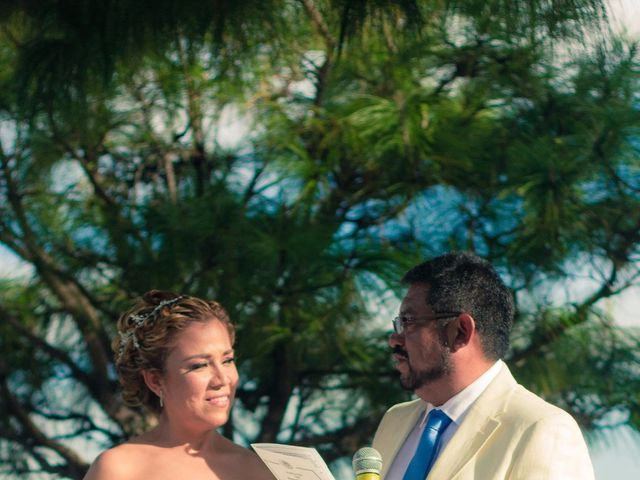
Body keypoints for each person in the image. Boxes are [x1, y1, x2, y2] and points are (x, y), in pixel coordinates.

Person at [372, 252, 594, 479]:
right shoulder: (395, 421)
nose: (394, 339)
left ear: (460, 331)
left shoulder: (542, 430)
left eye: (408, 322)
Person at [84, 290, 275, 480]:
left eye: (227, 360)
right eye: (200, 365)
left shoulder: (259, 471)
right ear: (155, 380)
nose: (222, 379)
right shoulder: (118, 470)